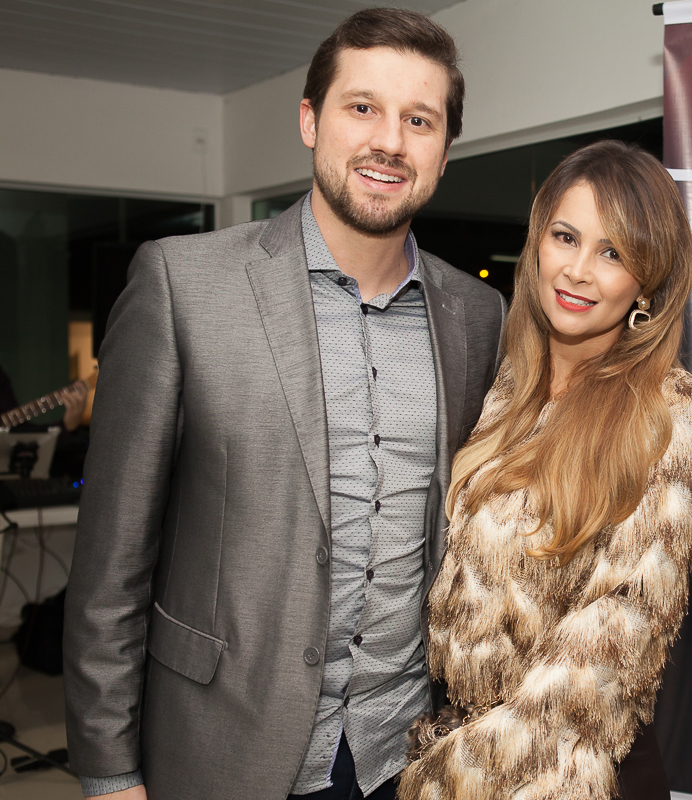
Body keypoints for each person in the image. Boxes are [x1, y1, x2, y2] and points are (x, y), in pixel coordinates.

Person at [62, 9, 505, 800]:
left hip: (408, 756)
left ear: (444, 150)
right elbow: (111, 566)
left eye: (419, 120)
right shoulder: (182, 284)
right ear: (310, 120)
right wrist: (110, 773)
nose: (389, 141)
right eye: (362, 107)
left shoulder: (477, 317)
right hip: (224, 747)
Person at [396, 141, 692, 800]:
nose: (578, 271)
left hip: (566, 774)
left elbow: (602, 667)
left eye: (613, 253)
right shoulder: (505, 387)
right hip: (464, 745)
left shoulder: (670, 417)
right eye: (566, 237)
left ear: (648, 282)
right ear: (537, 245)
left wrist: (439, 780)